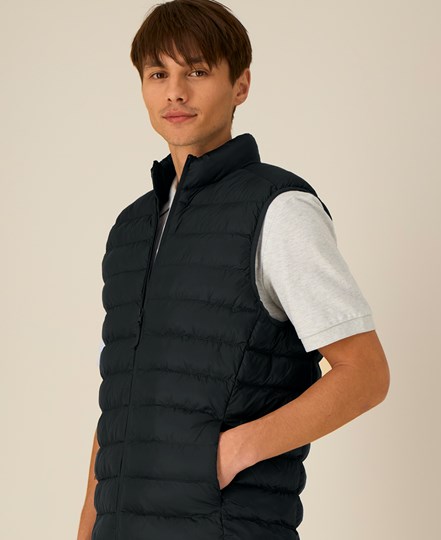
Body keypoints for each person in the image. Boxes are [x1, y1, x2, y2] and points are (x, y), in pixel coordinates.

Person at [77, 1, 390, 539]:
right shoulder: (131, 228)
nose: (175, 92)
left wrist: (230, 453)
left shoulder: (279, 209)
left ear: (240, 85)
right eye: (158, 74)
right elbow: (119, 408)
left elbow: (365, 374)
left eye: (197, 71)